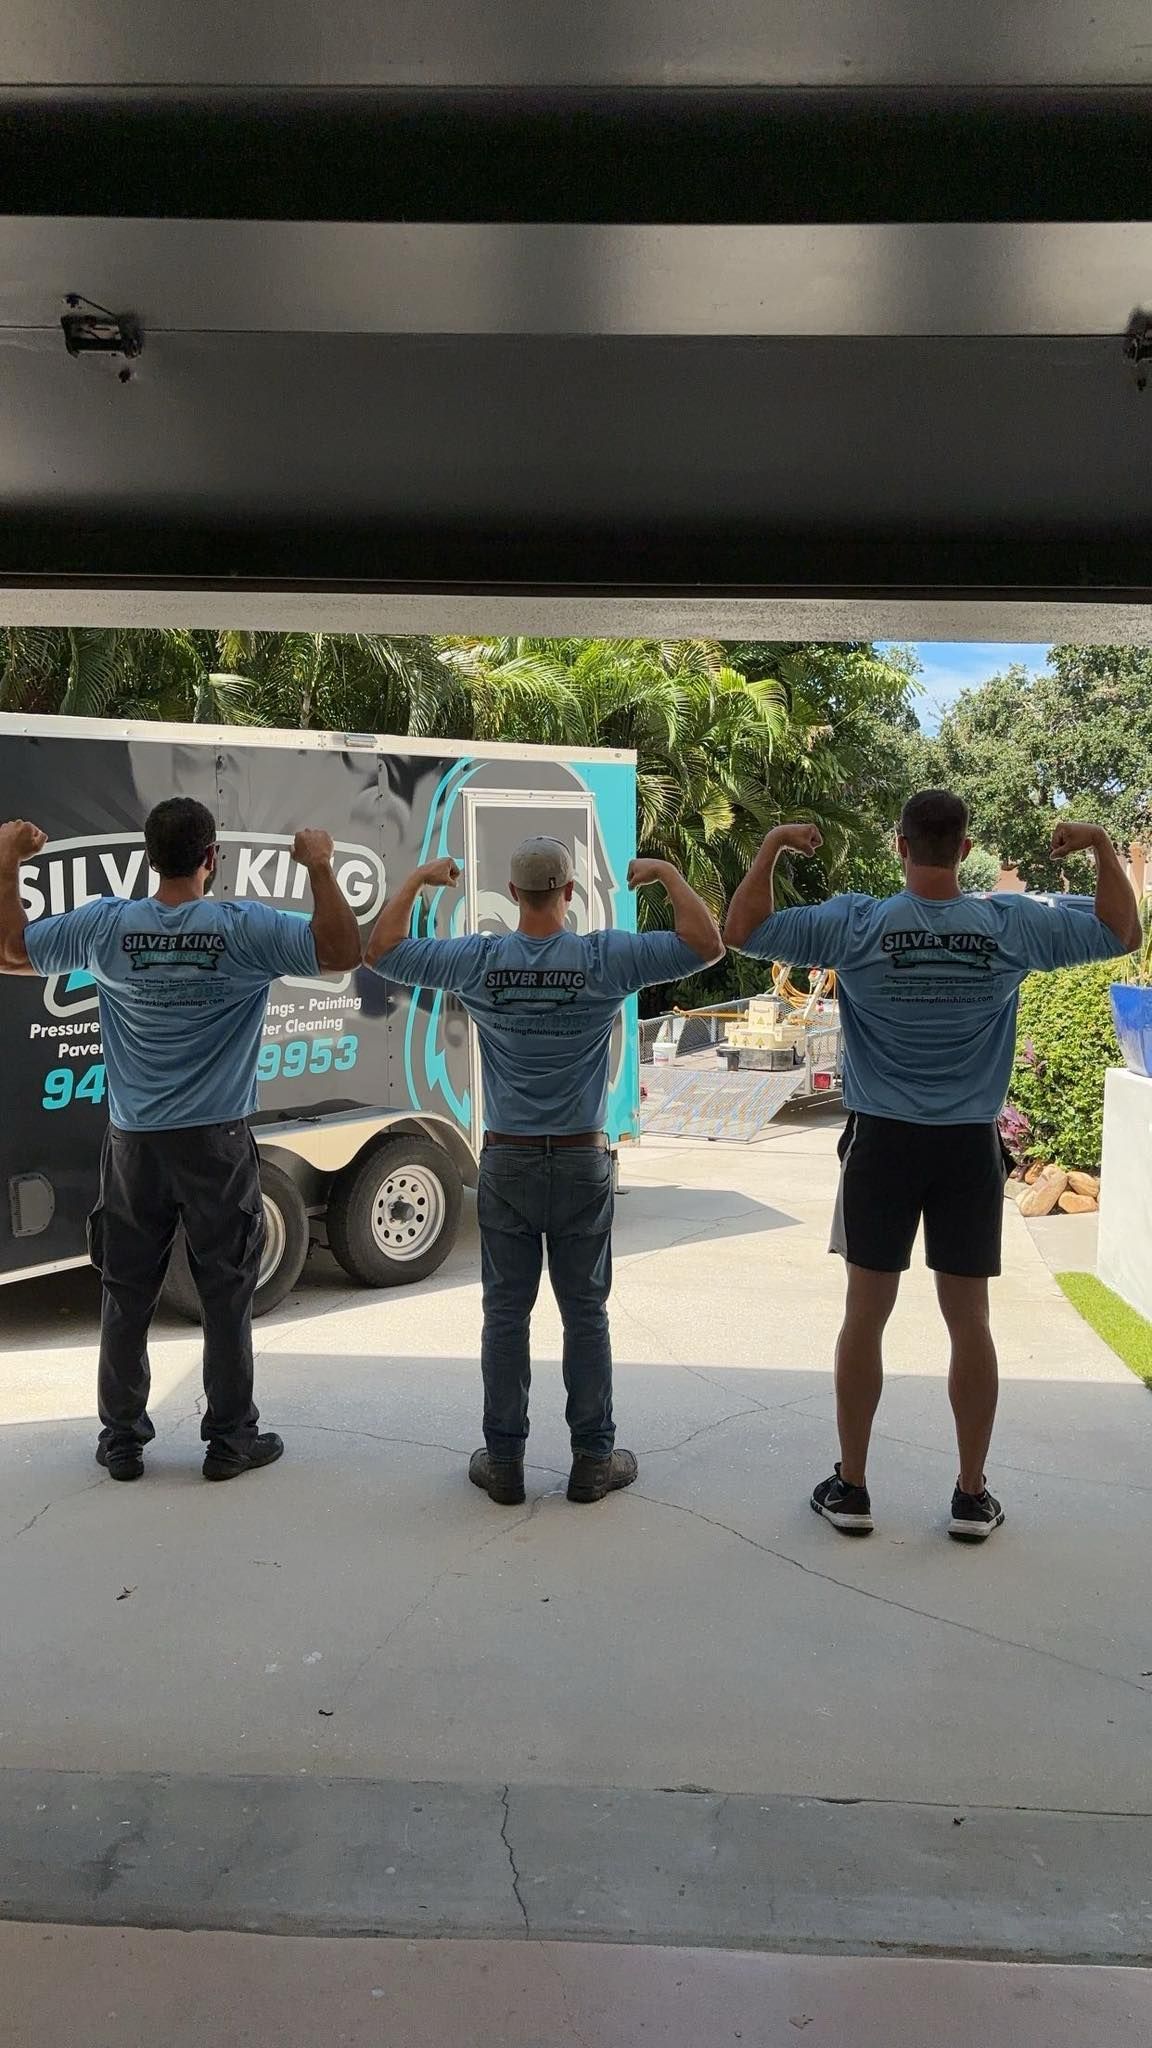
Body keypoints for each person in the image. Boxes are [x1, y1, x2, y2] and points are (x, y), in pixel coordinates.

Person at [724, 792, 1140, 1543]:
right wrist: (1104, 847)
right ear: (966, 844)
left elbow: (741, 930)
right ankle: (971, 1497)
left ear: (900, 845)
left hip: (882, 1143)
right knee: (969, 1320)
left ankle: (851, 1488)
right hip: (966, 1147)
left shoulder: (858, 924)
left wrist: (775, 849)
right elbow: (1121, 931)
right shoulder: (1008, 926)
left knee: (865, 1314)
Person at [0, 802, 361, 1483]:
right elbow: (343, 951)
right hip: (215, 1143)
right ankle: (230, 1443)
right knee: (225, 1293)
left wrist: (7, 860)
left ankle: (122, 1443)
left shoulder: (109, 925)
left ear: (148, 857)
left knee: (126, 1291)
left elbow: (12, 950)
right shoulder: (243, 928)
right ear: (212, 857)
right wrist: (318, 866)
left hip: (135, 1143)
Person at [365, 836, 724, 1506]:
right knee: (585, 1315)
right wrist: (669, 875)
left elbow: (380, 952)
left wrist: (416, 881)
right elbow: (707, 945)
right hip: (584, 1158)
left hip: (509, 1159)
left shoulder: (480, 959)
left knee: (506, 1316)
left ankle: (504, 1463)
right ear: (567, 893)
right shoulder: (604, 958)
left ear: (513, 892)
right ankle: (592, 1459)